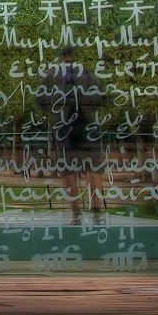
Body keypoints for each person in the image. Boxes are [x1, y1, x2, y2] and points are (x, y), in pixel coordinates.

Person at [41, 49, 109, 225]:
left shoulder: (51, 74)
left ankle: (75, 212)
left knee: (67, 169)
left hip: (64, 124)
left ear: (60, 56)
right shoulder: (85, 72)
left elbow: (40, 98)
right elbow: (101, 95)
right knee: (93, 167)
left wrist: (55, 109)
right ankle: (96, 211)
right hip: (86, 122)